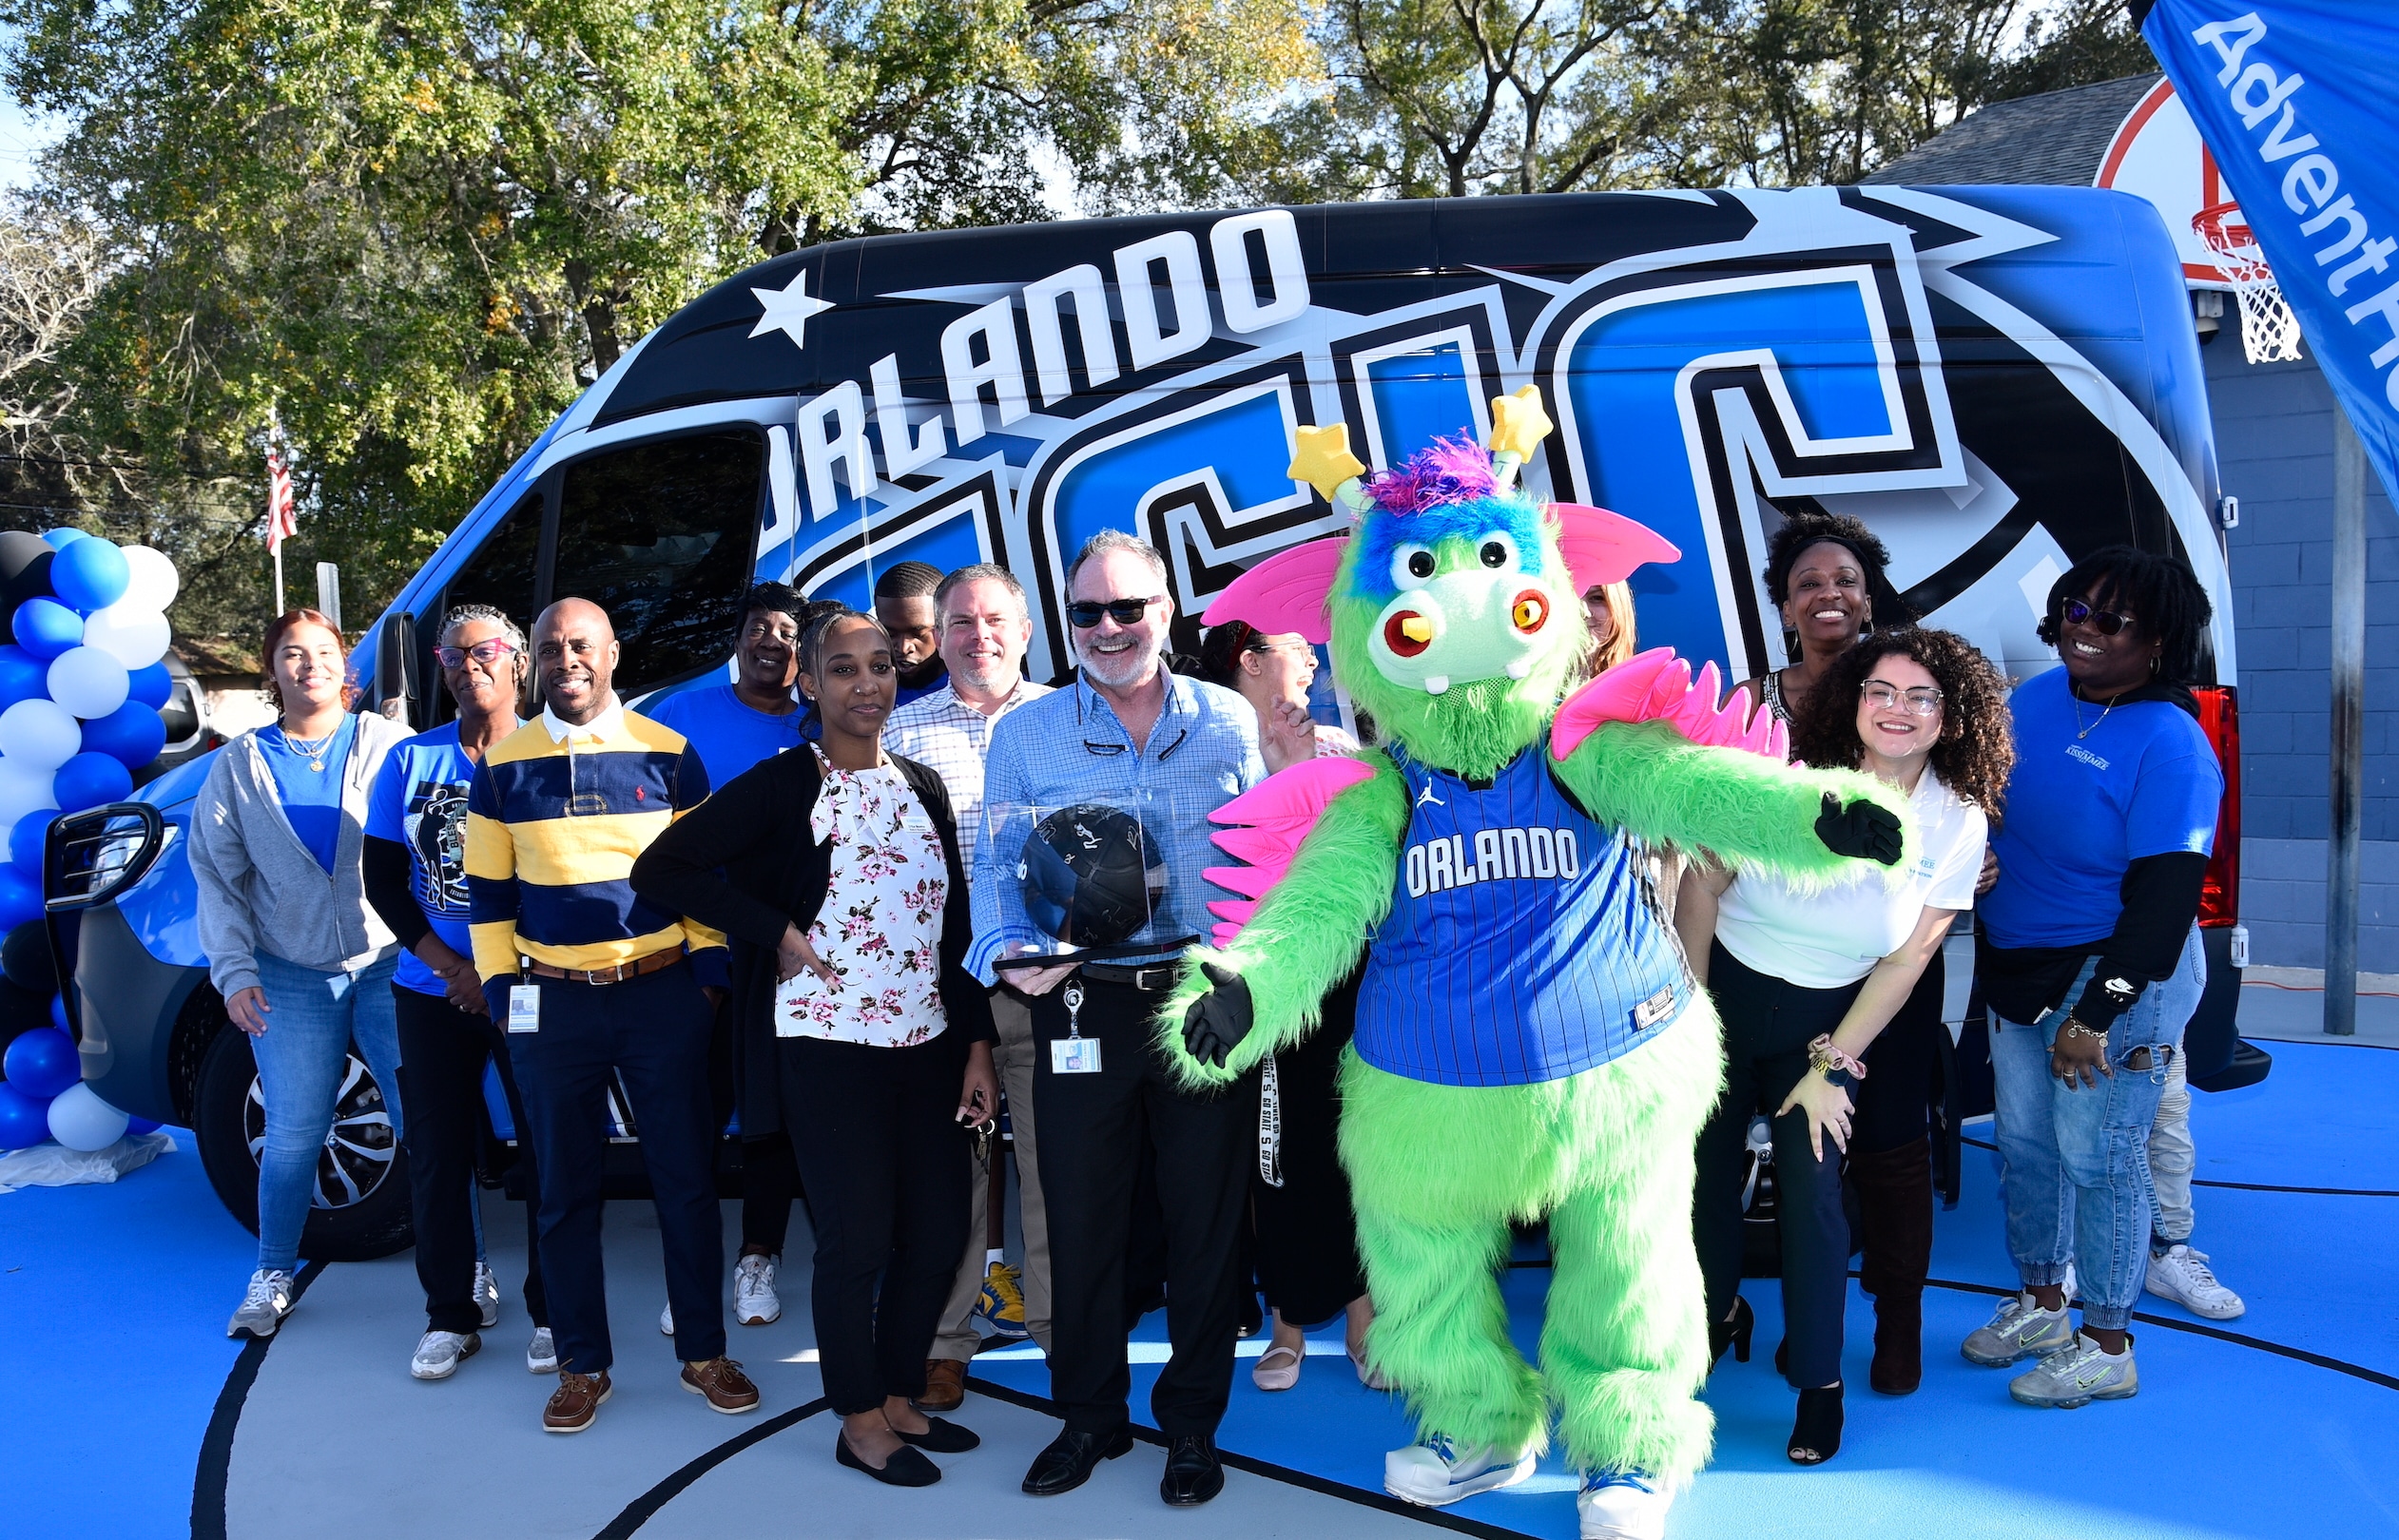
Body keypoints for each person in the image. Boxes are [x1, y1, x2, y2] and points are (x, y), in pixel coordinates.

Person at [633, 608, 998, 1487]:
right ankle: (860, 1419)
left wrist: (978, 1044)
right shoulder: (780, 784)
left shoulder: (922, 784)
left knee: (940, 1230)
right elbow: (661, 870)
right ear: (809, 682)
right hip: (828, 1045)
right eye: (842, 669)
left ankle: (902, 1390)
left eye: (879, 666)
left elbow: (950, 929)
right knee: (856, 1241)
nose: (865, 684)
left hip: (929, 1044)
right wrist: (776, 932)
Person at [970, 529, 1264, 1508]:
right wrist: (1009, 956)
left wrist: (1248, 973)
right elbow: (997, 866)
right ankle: (1090, 1417)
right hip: (1081, 1005)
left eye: (1127, 607)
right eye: (1088, 611)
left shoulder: (1229, 722)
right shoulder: (1028, 735)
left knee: (1204, 1226)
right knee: (1083, 1225)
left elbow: (1272, 868)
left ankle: (1191, 1427)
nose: (1107, 628)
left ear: (1166, 612)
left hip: (1198, 1005)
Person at [1681, 627, 2009, 1461]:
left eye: (1919, 696)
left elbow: (1908, 957)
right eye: (1880, 691)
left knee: (1814, 1201)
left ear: (1951, 716)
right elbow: (1702, 882)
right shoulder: (1789, 777)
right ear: (1853, 699)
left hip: (1826, 1027)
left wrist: (1831, 1067)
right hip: (1723, 998)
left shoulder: (1956, 819)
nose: (1895, 710)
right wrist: (1688, 1006)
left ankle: (1818, 1386)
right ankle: (1714, 1319)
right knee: (1700, 1184)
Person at [463, 597, 759, 1433]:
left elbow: (704, 877)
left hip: (662, 997)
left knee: (686, 1182)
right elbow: (488, 897)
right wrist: (499, 990)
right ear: (535, 662)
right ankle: (581, 1365)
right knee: (560, 1192)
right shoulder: (502, 766)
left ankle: (704, 1352)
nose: (569, 659)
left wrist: (704, 979)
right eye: (552, 647)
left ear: (614, 653)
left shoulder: (669, 754)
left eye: (582, 644)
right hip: (551, 1004)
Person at [1963, 547, 2219, 1409]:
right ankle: (2042, 1302)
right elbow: (1979, 808)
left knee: (2098, 1157)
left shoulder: (2172, 745)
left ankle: (2107, 1342)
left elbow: (2164, 903)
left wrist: (2099, 1015)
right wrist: (1974, 862)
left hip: (2113, 977)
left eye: (2109, 620)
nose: (2082, 629)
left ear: (2157, 642)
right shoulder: (2031, 701)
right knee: (2025, 1148)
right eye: (2074, 608)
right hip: (2015, 967)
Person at [192, 609, 413, 1339]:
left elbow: (430, 848)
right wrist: (234, 972)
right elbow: (217, 877)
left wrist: (441, 954)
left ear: (344, 666)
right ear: (272, 669)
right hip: (289, 975)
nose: (308, 664)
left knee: (427, 1122)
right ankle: (272, 1273)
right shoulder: (239, 764)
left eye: (323, 652)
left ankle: (464, 1264)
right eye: (291, 653)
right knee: (292, 1134)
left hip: (390, 965)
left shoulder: (386, 743)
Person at [363, 604, 553, 1379]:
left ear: (516, 661)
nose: (467, 667)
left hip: (534, 984)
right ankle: (450, 1315)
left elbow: (569, 879)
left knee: (547, 1150)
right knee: (436, 1154)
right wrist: (453, 968)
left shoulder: (551, 753)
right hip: (430, 988)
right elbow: (383, 879)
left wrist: (499, 970)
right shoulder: (409, 762)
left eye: (482, 654)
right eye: (452, 657)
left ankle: (555, 1310)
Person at [886, 563, 1056, 1410]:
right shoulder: (901, 736)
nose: (978, 636)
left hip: (1061, 987)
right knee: (953, 1177)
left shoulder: (1075, 721)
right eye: (960, 622)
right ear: (937, 634)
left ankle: (1066, 1334)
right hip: (947, 994)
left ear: (1026, 632)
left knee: (1062, 1170)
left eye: (995, 620)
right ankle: (944, 1341)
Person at [1193, 616, 1373, 1394]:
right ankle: (1289, 1320)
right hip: (1256, 983)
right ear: (1249, 660)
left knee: (1359, 1147)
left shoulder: (1347, 750)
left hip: (1352, 978)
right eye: (1292, 644)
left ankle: (1367, 1313)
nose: (1308, 651)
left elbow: (1364, 864)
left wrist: (1309, 769)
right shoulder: (1208, 750)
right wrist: (1276, 776)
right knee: (1278, 1155)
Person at [643, 581, 814, 1334]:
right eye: (758, 627)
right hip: (696, 951)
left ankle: (758, 1258)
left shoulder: (821, 725)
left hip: (794, 951)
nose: (770, 639)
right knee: (697, 1107)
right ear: (737, 639)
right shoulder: (679, 716)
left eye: (785, 629)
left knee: (771, 1113)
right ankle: (690, 1267)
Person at [1732, 510, 1907, 725]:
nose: (1829, 593)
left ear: (1867, 607)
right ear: (1787, 612)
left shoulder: (1900, 697)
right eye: (1810, 584)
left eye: (1845, 581)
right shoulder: (1748, 703)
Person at [874, 561, 948, 707]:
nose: (903, 648)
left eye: (918, 634)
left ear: (944, 624)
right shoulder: (863, 695)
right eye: (890, 633)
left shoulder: (976, 692)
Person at [1581, 579, 1638, 677]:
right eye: (1570, 598)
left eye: (1596, 598)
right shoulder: (1545, 687)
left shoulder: (1639, 687)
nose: (1584, 612)